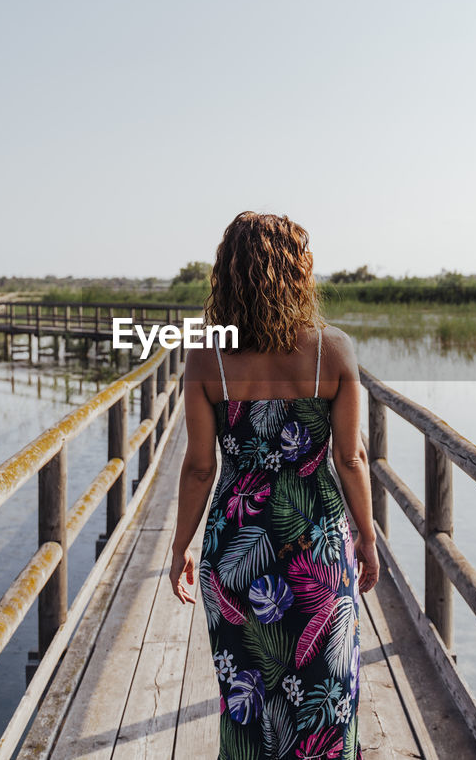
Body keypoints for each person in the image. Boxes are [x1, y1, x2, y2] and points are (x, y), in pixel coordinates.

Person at [169, 211, 379, 760]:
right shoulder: (333, 351)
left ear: (227, 277)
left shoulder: (206, 355)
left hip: (238, 548)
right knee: (326, 697)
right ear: (297, 275)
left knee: (249, 704)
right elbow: (351, 457)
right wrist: (369, 537)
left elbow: (198, 467)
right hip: (317, 545)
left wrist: (179, 546)